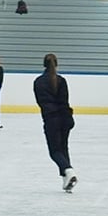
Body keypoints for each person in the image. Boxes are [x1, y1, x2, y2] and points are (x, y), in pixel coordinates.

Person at [34, 54, 78, 193]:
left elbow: (40, 102)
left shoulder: (39, 82)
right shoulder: (61, 80)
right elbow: (65, 100)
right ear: (56, 64)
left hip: (51, 119)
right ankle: (66, 180)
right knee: (63, 148)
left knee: (54, 151)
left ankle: (68, 171)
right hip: (65, 118)